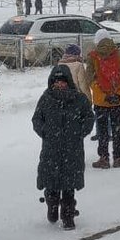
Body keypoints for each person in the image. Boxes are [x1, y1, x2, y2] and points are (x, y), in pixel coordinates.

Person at [32, 63, 95, 230]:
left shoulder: (79, 99)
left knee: (69, 186)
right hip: (51, 148)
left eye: (62, 81)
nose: (59, 84)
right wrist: (45, 132)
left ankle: (68, 216)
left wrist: (80, 132)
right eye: (56, 82)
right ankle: (52, 206)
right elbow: (36, 119)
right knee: (51, 183)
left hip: (72, 149)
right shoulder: (46, 98)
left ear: (68, 82)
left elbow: (89, 117)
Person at [86, 29, 120, 169]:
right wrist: (118, 93)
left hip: (101, 101)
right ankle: (117, 157)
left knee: (103, 129)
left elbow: (90, 79)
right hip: (117, 99)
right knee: (117, 128)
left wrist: (104, 96)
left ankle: (104, 158)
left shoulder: (93, 56)